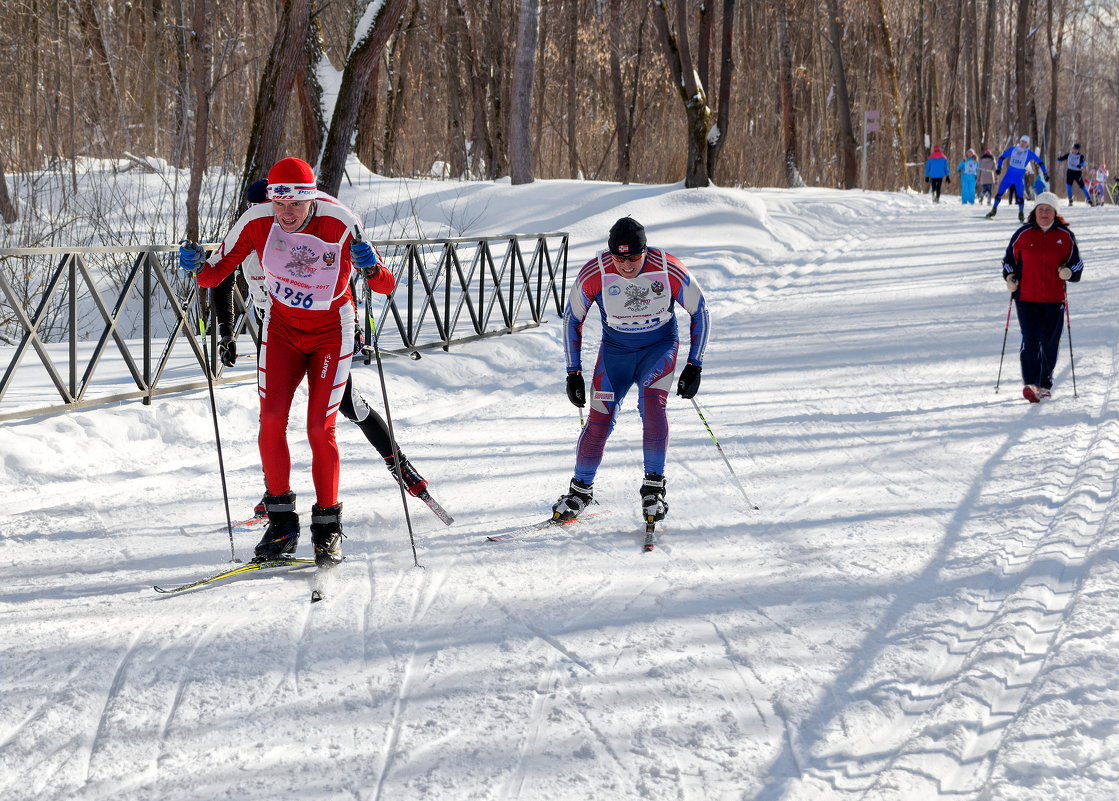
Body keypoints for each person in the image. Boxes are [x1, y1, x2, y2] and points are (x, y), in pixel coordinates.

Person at [179, 157, 395, 567]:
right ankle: (281, 524)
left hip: (332, 329)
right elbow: (213, 276)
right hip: (281, 329)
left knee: (320, 427)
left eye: (296, 204)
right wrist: (194, 264)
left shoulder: (339, 221)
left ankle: (327, 529)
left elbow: (386, 285)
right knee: (272, 418)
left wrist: (370, 265)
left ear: (312, 199)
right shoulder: (256, 220)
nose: (287, 214)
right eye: (280, 204)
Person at [212, 179, 431, 521]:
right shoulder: (250, 232)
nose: (271, 214)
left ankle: (398, 462)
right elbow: (220, 281)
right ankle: (274, 492)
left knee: (346, 405)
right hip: (275, 328)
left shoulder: (300, 231)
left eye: (269, 206)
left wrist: (355, 326)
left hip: (323, 330)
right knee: (271, 417)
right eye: (257, 207)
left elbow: (339, 281)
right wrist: (226, 333)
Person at [551, 217, 710, 524]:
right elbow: (572, 319)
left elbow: (699, 310)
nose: (626, 265)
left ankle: (653, 488)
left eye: (633, 257)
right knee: (600, 418)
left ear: (644, 251)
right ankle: (580, 489)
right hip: (616, 353)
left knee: (652, 407)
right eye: (619, 258)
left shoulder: (666, 267)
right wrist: (573, 372)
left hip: (658, 348)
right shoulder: (594, 272)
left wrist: (695, 365)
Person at [1000, 191, 1083, 403]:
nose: (1044, 213)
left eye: (1048, 209)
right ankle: (1031, 383)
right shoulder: (1023, 234)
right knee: (1030, 340)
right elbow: (1008, 260)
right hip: (1026, 298)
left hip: (1055, 299)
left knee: (1050, 342)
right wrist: (1010, 276)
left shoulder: (1065, 237)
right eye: (1040, 209)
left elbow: (1077, 264)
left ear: (1055, 213)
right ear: (1034, 211)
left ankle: (1045, 383)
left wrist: (1070, 273)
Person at [986, 135, 1049, 222]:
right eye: (1022, 141)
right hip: (1009, 176)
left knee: (1019, 197)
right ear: (1019, 141)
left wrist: (1045, 173)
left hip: (1019, 178)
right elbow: (1001, 158)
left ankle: (1021, 213)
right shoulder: (1013, 149)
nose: (1023, 143)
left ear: (1027, 144)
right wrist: (999, 168)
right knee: (999, 193)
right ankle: (993, 210)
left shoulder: (1029, 153)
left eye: (1025, 142)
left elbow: (1040, 162)